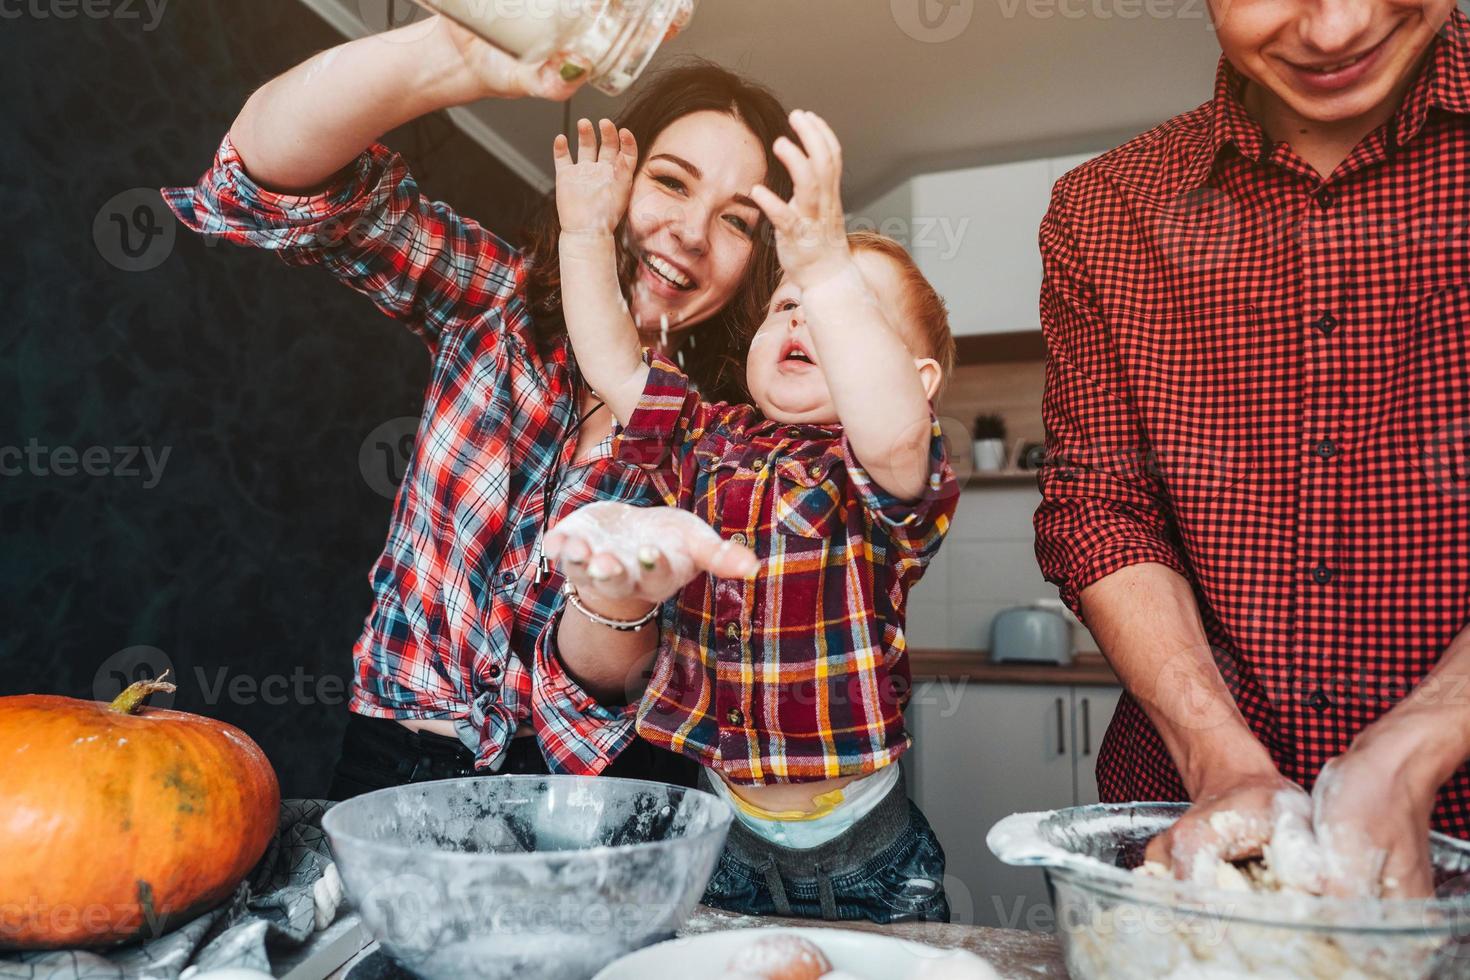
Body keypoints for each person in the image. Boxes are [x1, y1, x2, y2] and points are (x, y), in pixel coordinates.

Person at [159, 14, 795, 797]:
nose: (692, 232)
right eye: (671, 180)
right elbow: (262, 177)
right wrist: (460, 55)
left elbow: (620, 684)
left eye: (738, 221)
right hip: (394, 764)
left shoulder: (737, 442)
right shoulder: (499, 300)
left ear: (756, 263)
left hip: (601, 794)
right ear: (613, 174)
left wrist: (613, 597)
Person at [1034, 0, 1470, 898]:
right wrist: (1221, 761)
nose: (1337, 27)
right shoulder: (1100, 208)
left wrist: (1416, 745)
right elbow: (1099, 507)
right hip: (1191, 839)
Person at [540, 110, 959, 923]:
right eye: (786, 302)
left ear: (919, 379)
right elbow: (616, 362)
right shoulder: (709, 437)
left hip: (868, 848)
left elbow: (894, 428)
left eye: (843, 309)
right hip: (722, 827)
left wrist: (827, 264)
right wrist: (585, 235)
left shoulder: (883, 473)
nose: (804, 315)